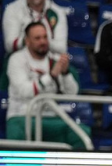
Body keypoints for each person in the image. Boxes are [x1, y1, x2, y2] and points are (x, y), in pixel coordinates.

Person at [5, 21, 86, 149]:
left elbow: (72, 94)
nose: (42, 41)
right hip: (22, 116)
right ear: (27, 41)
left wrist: (65, 73)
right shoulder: (16, 59)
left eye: (45, 37)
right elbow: (25, 91)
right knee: (17, 132)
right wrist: (51, 76)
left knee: (82, 134)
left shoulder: (55, 59)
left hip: (50, 117)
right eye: (37, 38)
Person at [2, 0, 68, 56]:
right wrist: (39, 42)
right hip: (20, 59)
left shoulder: (58, 13)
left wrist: (37, 41)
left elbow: (62, 48)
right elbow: (10, 46)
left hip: (48, 60)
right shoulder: (12, 9)